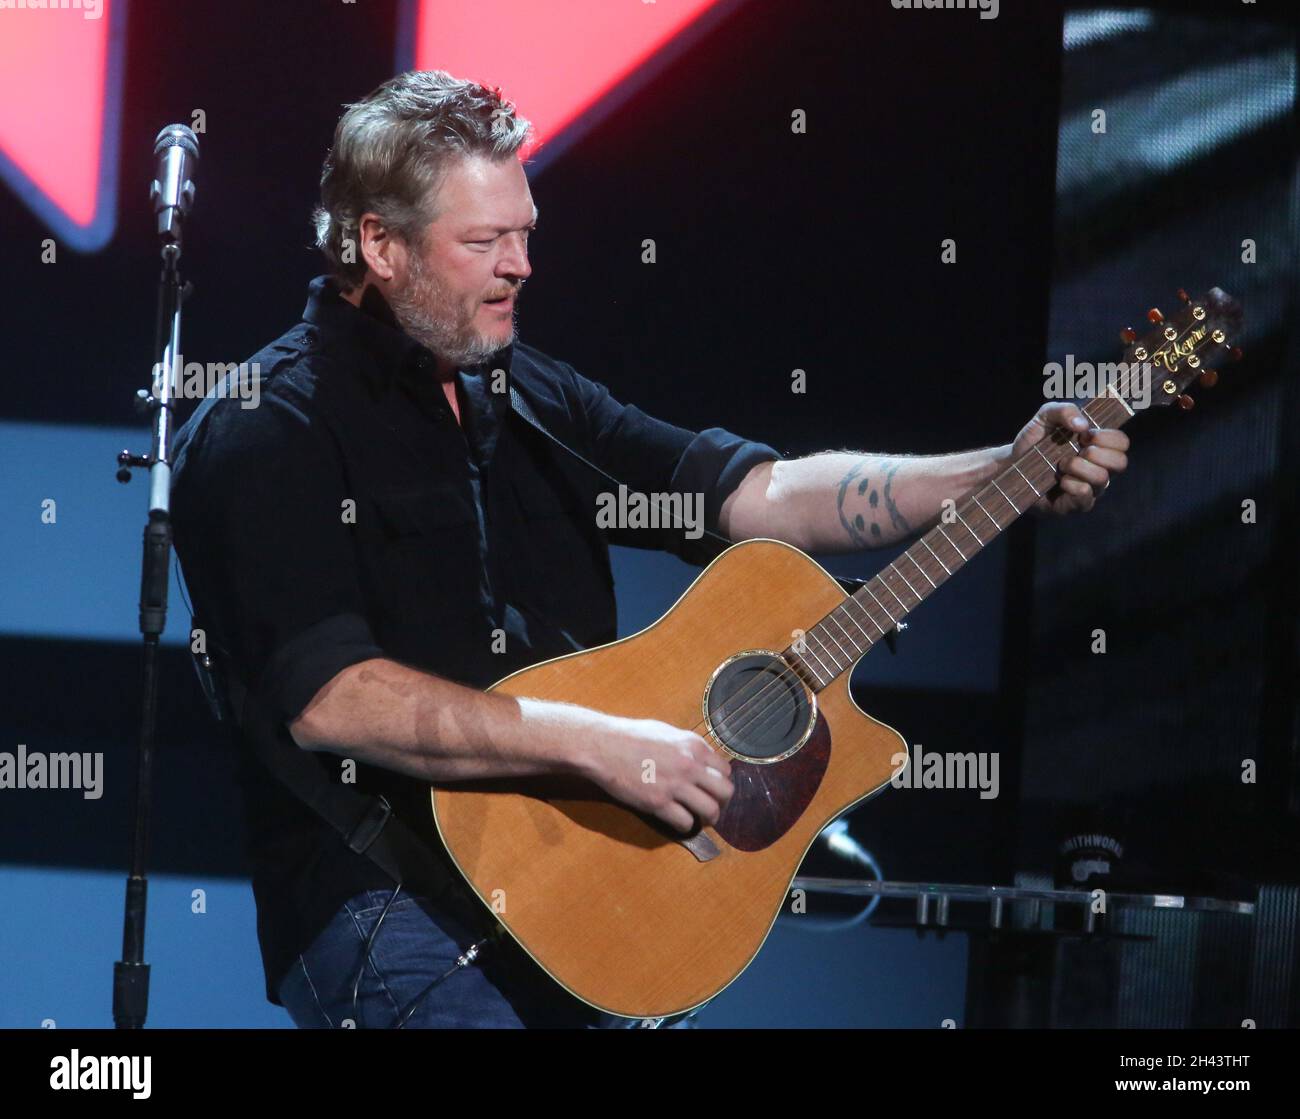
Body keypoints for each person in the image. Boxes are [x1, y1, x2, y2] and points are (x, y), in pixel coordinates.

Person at [170, 69, 1128, 1029]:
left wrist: (1003, 467)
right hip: (388, 904)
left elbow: (758, 498)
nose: (520, 265)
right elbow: (335, 698)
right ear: (378, 242)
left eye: (525, 232)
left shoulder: (528, 391)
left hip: (588, 893)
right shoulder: (272, 423)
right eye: (483, 241)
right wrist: (600, 746)